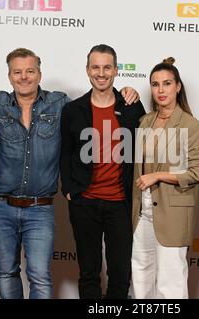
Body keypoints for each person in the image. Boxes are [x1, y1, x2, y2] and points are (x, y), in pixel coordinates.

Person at [0, 48, 139, 299]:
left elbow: (92, 103)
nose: (24, 77)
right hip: (3, 205)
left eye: (30, 71)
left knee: (40, 276)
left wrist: (127, 91)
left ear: (39, 74)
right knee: (7, 272)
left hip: (40, 208)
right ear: (9, 76)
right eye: (17, 72)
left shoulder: (60, 103)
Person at [60, 44, 146, 299]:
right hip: (84, 202)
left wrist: (132, 94)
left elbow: (142, 152)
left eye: (107, 67)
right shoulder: (73, 110)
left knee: (120, 273)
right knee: (89, 271)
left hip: (120, 203)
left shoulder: (132, 108)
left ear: (116, 70)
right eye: (95, 67)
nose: (101, 73)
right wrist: (69, 190)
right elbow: (65, 152)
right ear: (87, 70)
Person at [131, 57, 199, 299]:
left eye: (166, 83)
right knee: (141, 277)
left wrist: (158, 176)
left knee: (170, 281)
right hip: (141, 213)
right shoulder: (144, 122)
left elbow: (198, 172)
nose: (161, 90)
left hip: (173, 212)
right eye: (155, 84)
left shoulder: (191, 125)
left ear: (178, 87)